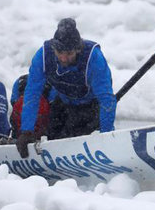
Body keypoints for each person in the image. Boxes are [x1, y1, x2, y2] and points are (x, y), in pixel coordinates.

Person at [16, 18, 116, 158]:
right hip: (63, 103)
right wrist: (26, 131)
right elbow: (32, 93)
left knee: (78, 139)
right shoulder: (43, 56)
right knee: (54, 138)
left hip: (91, 106)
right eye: (59, 52)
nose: (63, 58)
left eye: (69, 54)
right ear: (53, 48)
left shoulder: (93, 58)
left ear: (77, 49)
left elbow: (106, 99)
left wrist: (107, 135)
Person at [9, 74, 52, 139]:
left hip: (21, 129)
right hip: (46, 129)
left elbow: (13, 102)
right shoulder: (50, 83)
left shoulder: (19, 82)